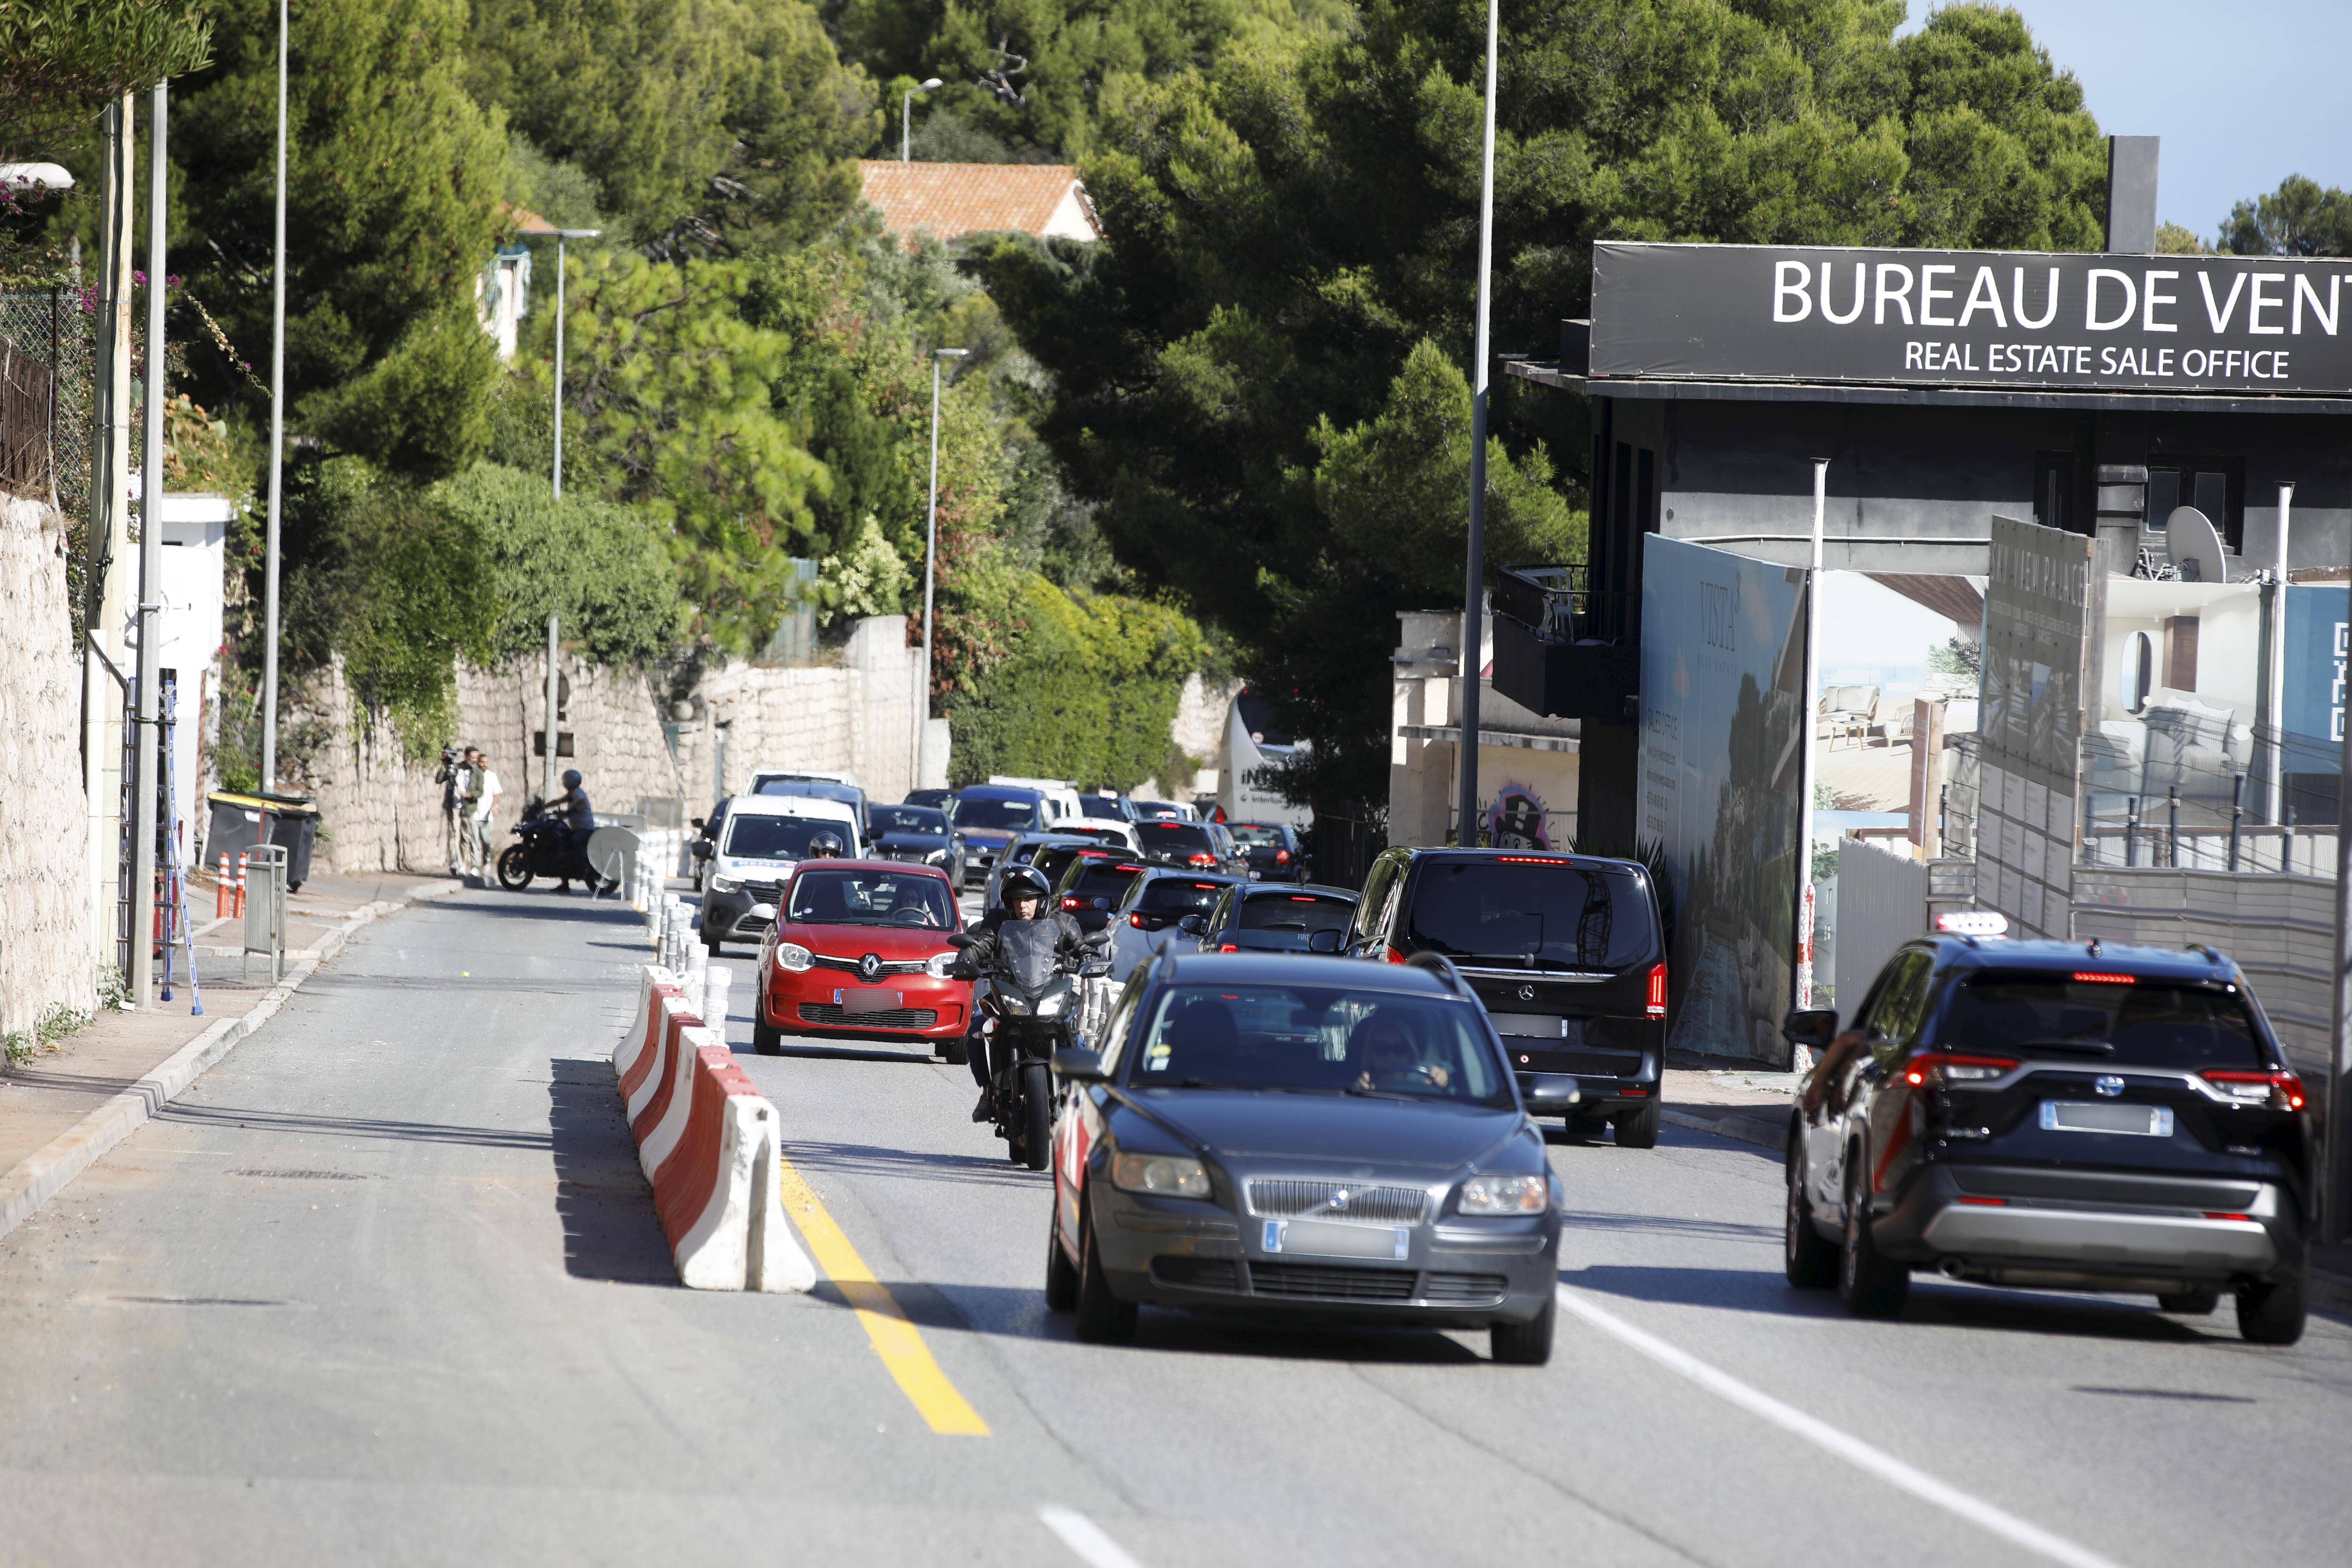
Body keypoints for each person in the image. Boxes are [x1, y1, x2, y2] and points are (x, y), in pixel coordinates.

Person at [957, 865, 1089, 1122]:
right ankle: (987, 1092)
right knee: (975, 1030)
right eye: (1017, 899)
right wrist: (966, 958)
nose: (1022, 906)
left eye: (1028, 898)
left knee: (1078, 1038)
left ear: (1041, 899)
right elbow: (979, 945)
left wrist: (1090, 957)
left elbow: (1082, 947)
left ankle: (1078, 1097)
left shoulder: (1062, 922)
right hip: (1008, 993)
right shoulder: (997, 922)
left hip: (1049, 993)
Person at [436, 747, 477, 875]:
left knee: (466, 836)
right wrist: (444, 764)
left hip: (468, 807)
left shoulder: (476, 772)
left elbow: (480, 790)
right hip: (453, 805)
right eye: (472, 758)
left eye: (476, 758)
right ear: (466, 756)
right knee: (453, 833)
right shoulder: (455, 768)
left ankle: (462, 864)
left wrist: (469, 795)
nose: (475, 760)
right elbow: (439, 780)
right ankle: (454, 861)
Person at [553, 768, 595, 891]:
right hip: (578, 828)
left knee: (574, 842)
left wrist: (570, 812)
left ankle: (583, 867)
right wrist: (543, 806)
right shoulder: (573, 793)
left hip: (584, 829)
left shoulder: (577, 793)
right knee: (562, 847)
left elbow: (583, 805)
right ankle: (565, 883)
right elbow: (559, 801)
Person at [465, 748, 502, 880]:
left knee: (486, 841)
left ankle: (486, 862)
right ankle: (475, 866)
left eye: (486, 762)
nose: (484, 764)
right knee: (474, 840)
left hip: (488, 816)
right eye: (482, 762)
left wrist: (495, 807)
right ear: (478, 763)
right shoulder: (472, 775)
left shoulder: (492, 776)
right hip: (475, 813)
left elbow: (497, 795)